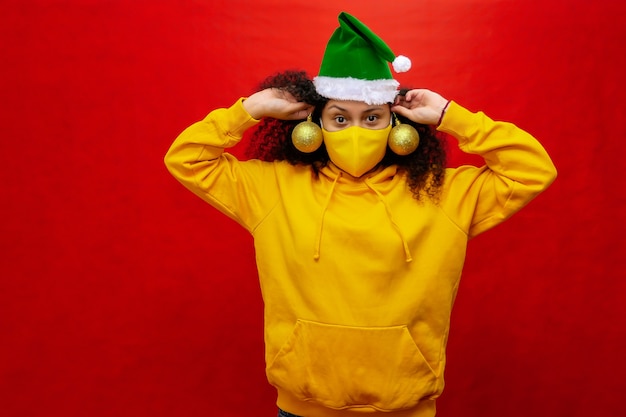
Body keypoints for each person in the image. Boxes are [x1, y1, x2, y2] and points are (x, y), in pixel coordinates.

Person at [164, 12, 557, 417]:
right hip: (303, 409)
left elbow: (532, 170)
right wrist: (250, 109)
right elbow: (187, 159)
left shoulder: (445, 192)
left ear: (397, 124)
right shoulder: (273, 189)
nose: (356, 132)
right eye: (339, 118)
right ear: (315, 126)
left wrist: (450, 116)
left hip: (405, 408)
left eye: (371, 118)